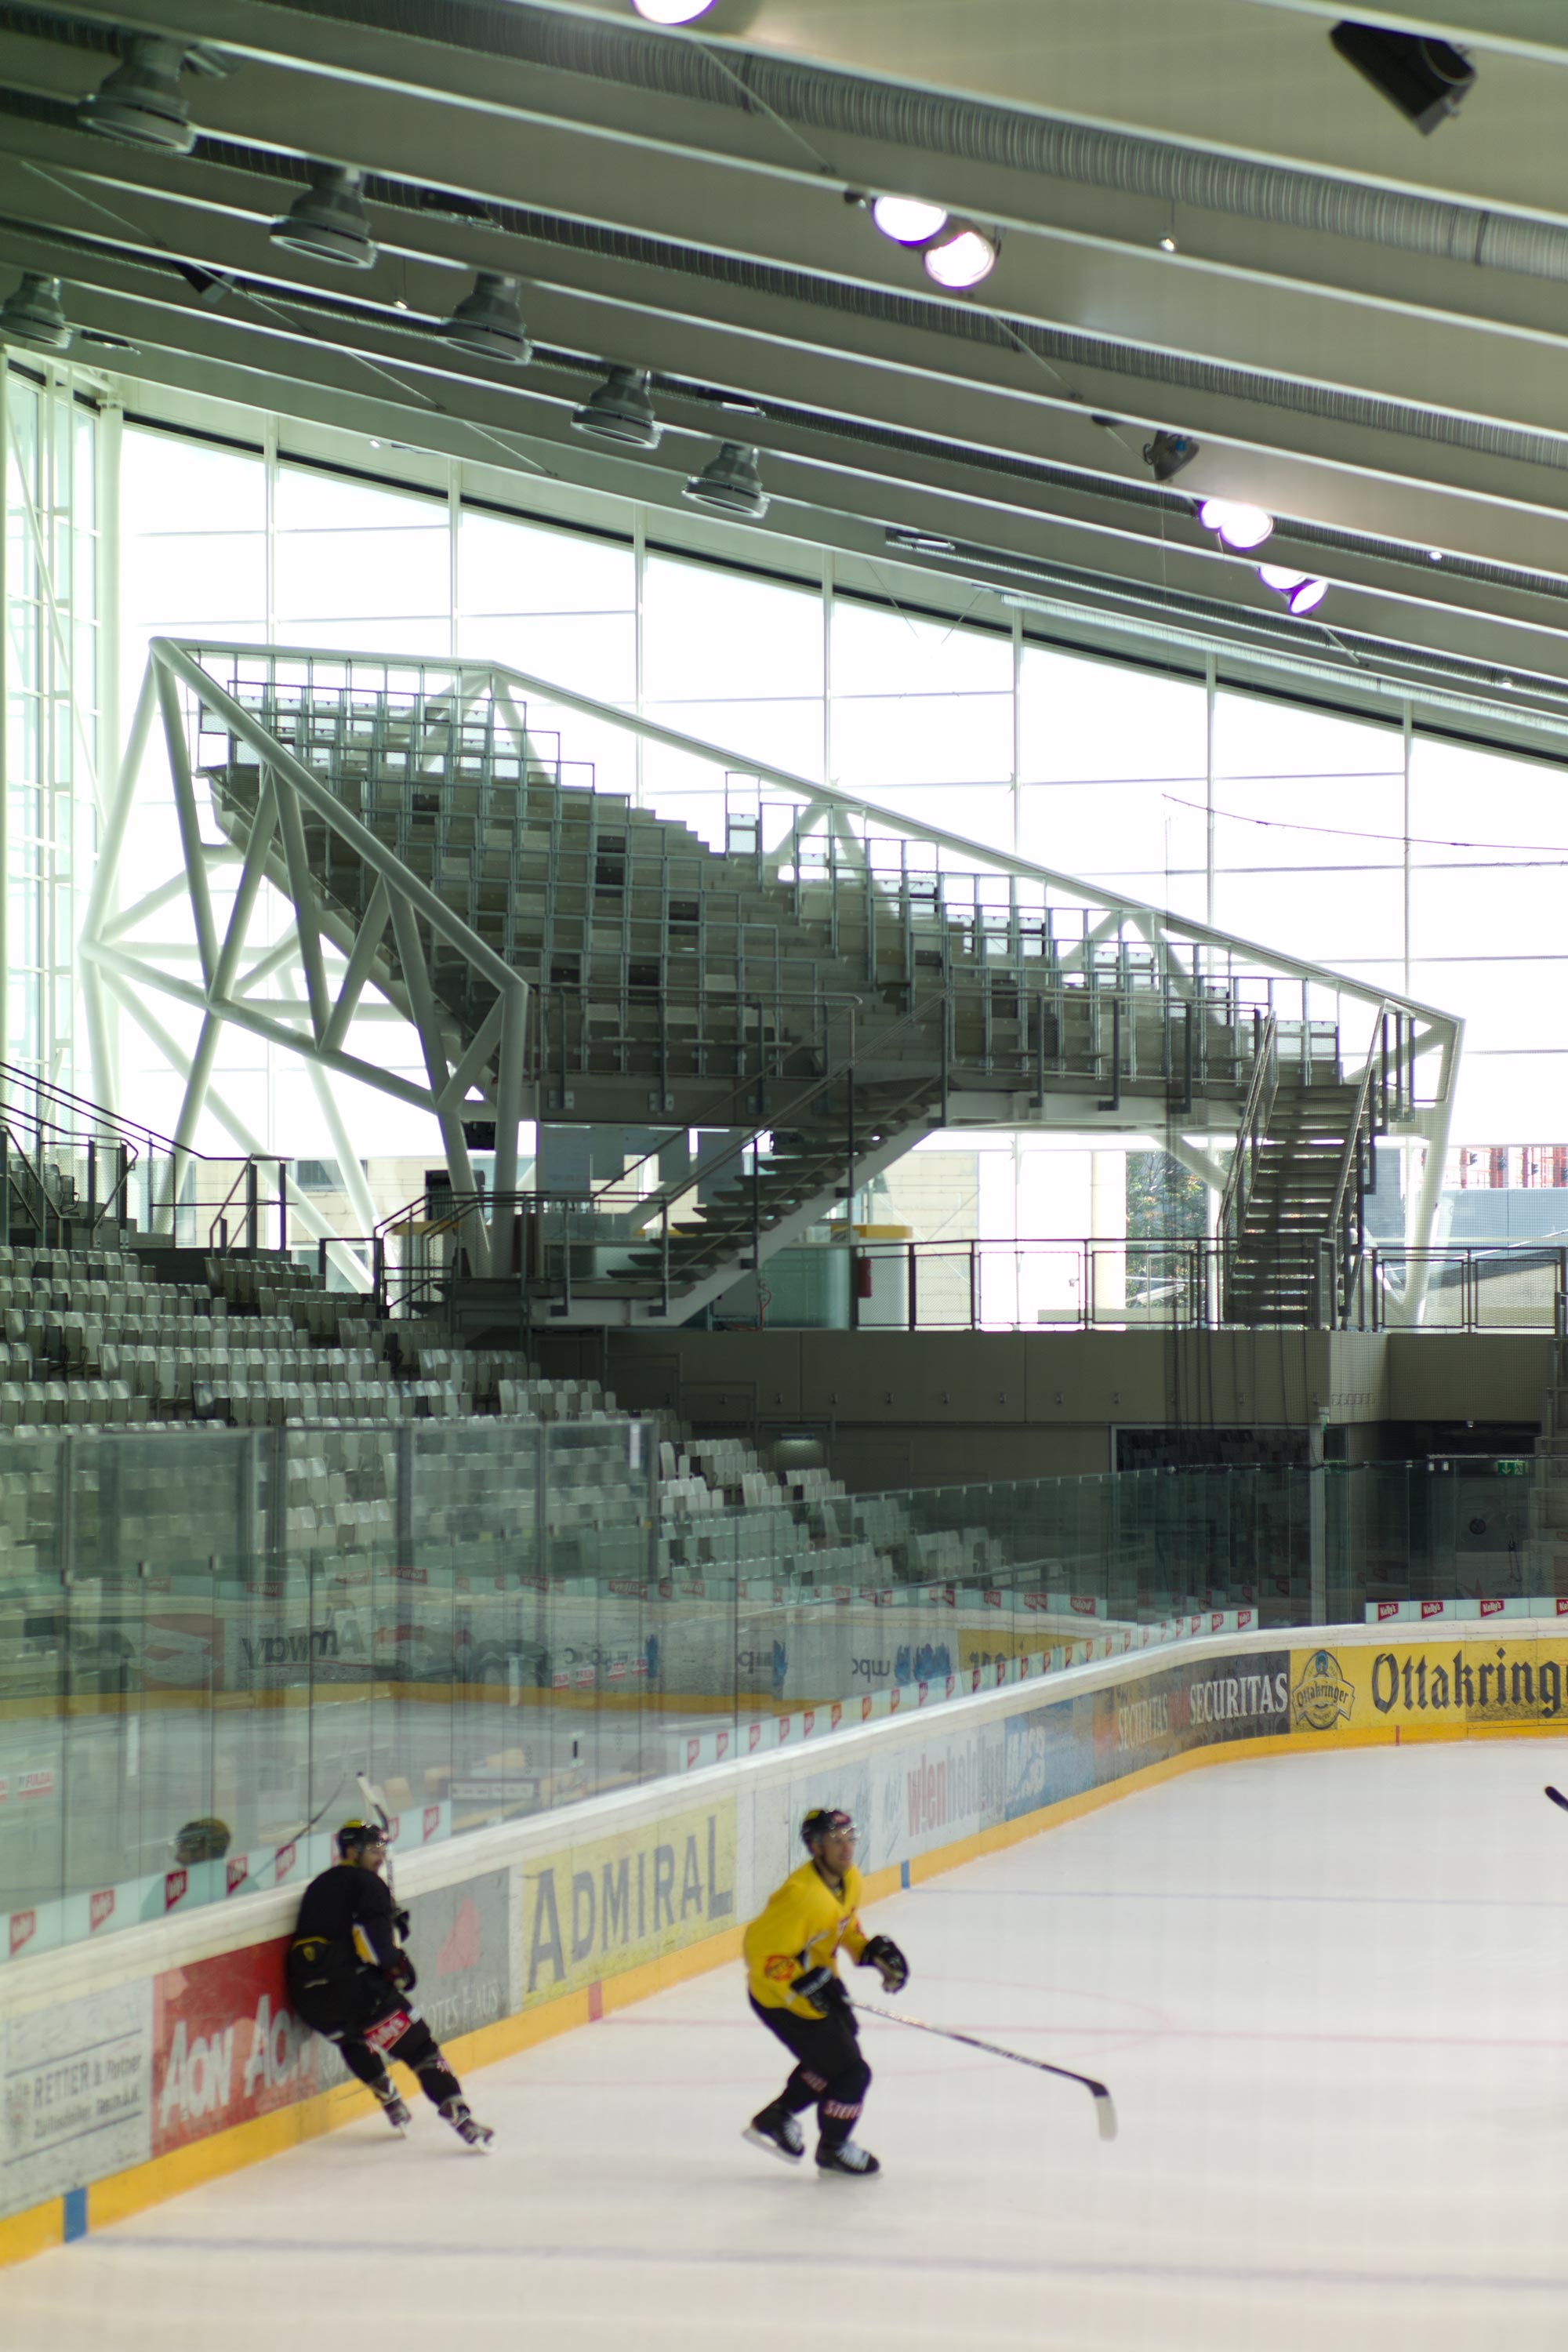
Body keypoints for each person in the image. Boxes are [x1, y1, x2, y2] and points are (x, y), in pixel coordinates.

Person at [286, 1819, 494, 2149]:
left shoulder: (320, 1885)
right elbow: (375, 1948)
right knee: (421, 2050)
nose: (380, 1856)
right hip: (356, 1994)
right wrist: (398, 1966)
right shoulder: (369, 1885)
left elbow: (340, 1932)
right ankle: (461, 2117)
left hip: (313, 2001)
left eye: (382, 1848)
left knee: (351, 2038)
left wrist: (388, 1923)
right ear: (352, 1851)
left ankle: (388, 2097)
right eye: (373, 1849)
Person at [742, 1806, 909, 2178]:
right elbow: (760, 1952)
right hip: (780, 1998)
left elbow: (843, 1928)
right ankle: (833, 2149)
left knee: (841, 2047)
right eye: (836, 1841)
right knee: (852, 2075)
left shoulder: (850, 1880)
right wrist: (802, 1982)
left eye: (850, 1837)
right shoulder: (801, 1896)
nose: (846, 1848)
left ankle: (777, 2116)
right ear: (816, 1847)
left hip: (818, 1989)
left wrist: (869, 1952)